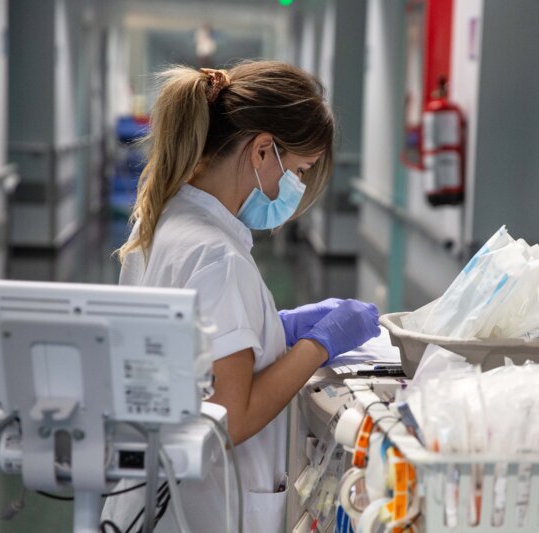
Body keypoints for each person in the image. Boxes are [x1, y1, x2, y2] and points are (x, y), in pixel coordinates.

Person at [104, 61, 380, 532]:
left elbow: (194, 351)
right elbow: (232, 416)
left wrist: (273, 328)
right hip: (206, 508)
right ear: (261, 152)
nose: (290, 189)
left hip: (158, 501)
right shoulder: (217, 255)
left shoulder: (164, 220)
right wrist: (320, 344)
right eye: (296, 171)